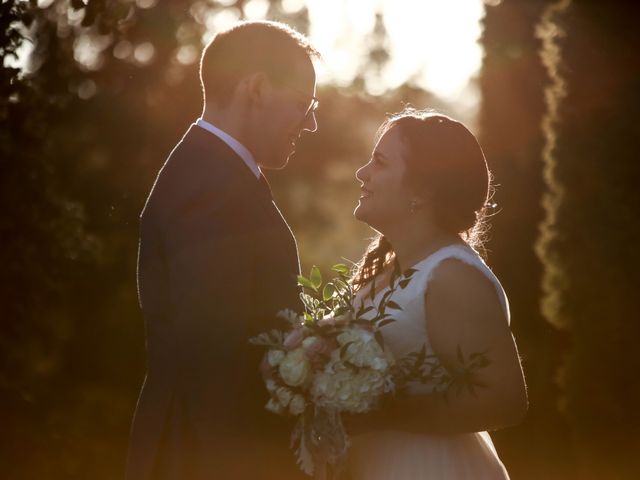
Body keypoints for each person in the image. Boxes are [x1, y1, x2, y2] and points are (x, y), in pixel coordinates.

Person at [126, 21, 319, 480]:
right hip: (208, 454)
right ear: (256, 88)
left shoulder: (217, 172)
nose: (310, 122)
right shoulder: (210, 188)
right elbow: (217, 356)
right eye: (302, 104)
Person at [346, 108, 528, 479]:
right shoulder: (387, 267)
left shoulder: (452, 277)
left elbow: (504, 401)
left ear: (422, 191)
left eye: (379, 162)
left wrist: (380, 411)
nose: (361, 173)